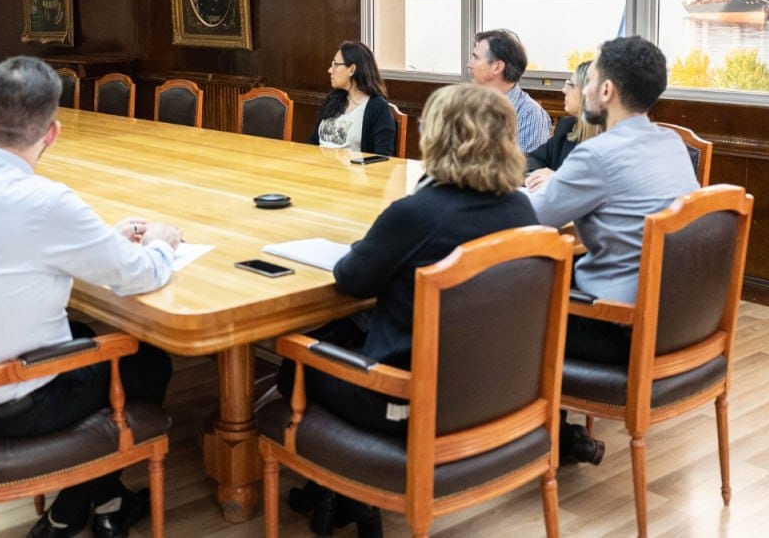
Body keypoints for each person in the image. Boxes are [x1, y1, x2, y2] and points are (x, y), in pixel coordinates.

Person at [0, 56, 182, 538]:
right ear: (53, 133)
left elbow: (13, 250)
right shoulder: (49, 203)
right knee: (149, 362)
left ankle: (105, 498)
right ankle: (72, 507)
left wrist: (97, 238)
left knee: (82, 333)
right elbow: (138, 274)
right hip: (14, 401)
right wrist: (161, 241)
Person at [280, 83, 537, 535]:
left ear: (435, 139)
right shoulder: (522, 212)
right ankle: (341, 495)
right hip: (499, 390)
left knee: (291, 365)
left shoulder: (417, 213)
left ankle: (344, 488)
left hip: (407, 400)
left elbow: (350, 279)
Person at [526, 36, 699, 464]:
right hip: (676, 321)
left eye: (591, 79)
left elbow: (531, 218)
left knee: (505, 303)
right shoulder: (672, 144)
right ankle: (559, 440)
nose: (583, 88)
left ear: (607, 91)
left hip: (616, 329)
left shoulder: (595, 156)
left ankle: (521, 445)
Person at [467, 28, 549, 152]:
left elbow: (528, 168)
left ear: (497, 67)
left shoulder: (530, 115)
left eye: (476, 58)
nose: (469, 64)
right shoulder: (468, 104)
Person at [308, 40, 396, 155]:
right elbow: (313, 143)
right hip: (319, 170)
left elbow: (383, 157)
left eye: (335, 65)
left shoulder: (377, 107)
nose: (330, 70)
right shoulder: (332, 100)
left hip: (354, 171)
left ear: (352, 69)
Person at [524, 60, 604, 186]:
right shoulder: (566, 127)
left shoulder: (610, 139)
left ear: (588, 91)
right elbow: (533, 160)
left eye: (571, 85)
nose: (563, 90)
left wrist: (558, 179)